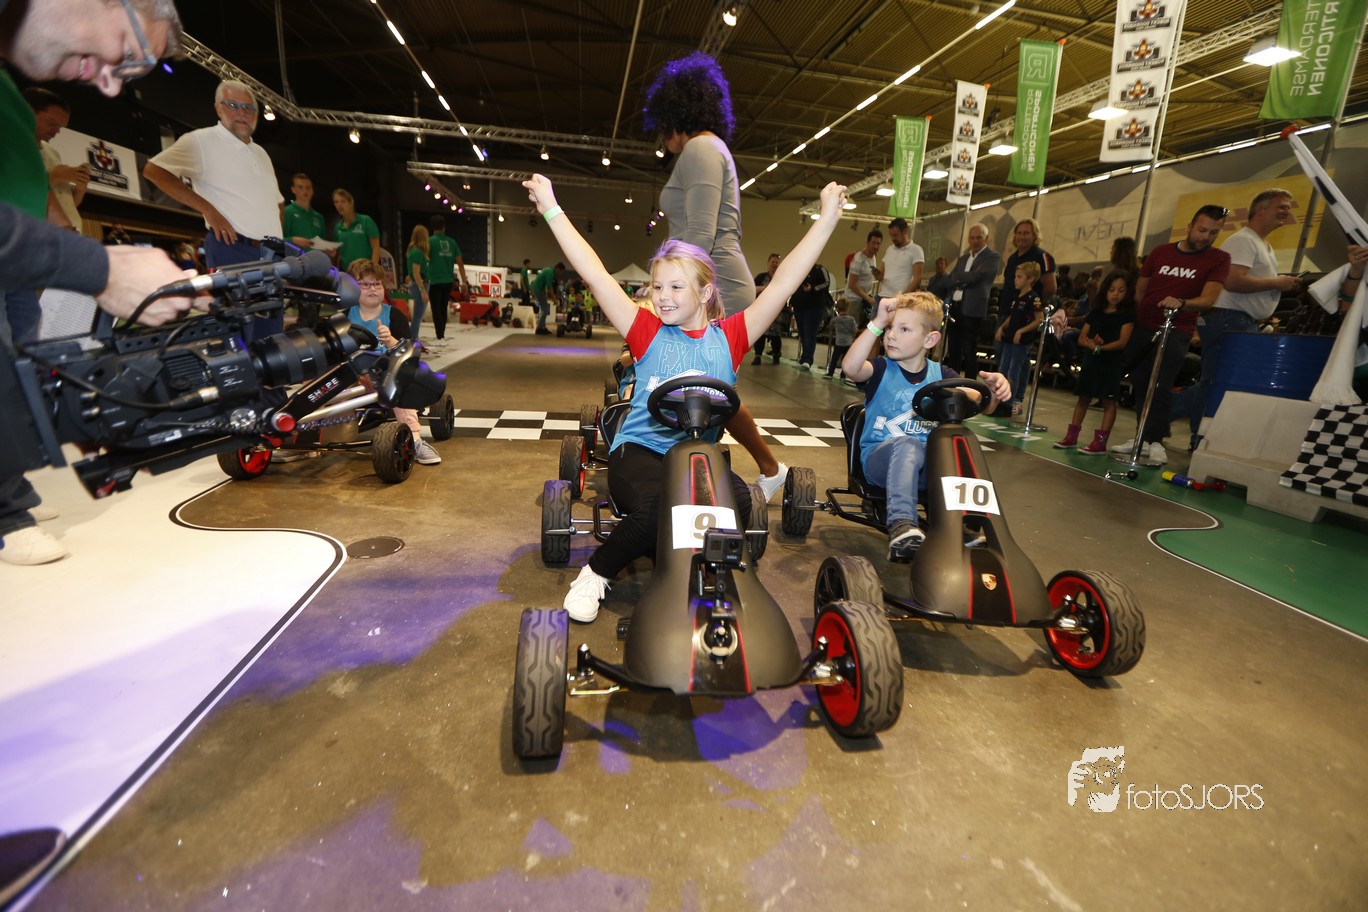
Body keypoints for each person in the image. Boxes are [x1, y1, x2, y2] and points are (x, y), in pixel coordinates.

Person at [522, 172, 847, 622]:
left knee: (739, 502)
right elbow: (594, 273)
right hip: (640, 452)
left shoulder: (730, 338)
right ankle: (596, 573)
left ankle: (705, 575)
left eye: (676, 287)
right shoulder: (646, 331)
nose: (663, 297)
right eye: (658, 287)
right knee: (663, 509)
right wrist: (551, 209)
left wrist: (827, 219)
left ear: (705, 292)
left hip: (698, 459)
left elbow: (783, 284)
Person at [2, 0, 192, 571]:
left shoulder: (8, 90)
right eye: (127, 53)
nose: (110, 86)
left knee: (18, 366)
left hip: (17, 265)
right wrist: (102, 269)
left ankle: (10, 489)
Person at [642, 49, 789, 501]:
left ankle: (766, 468)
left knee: (708, 390)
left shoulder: (700, 148)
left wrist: (666, 293)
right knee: (702, 388)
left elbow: (700, 236)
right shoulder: (708, 149)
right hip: (704, 283)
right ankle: (722, 468)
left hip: (714, 286)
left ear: (674, 114)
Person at [842, 292, 1010, 558]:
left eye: (904, 329)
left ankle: (963, 525)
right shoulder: (881, 369)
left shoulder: (942, 375)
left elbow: (980, 403)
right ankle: (902, 523)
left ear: (930, 340)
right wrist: (877, 322)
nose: (891, 336)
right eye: (890, 328)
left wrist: (994, 390)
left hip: (927, 470)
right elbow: (851, 368)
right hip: (879, 463)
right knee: (908, 445)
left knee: (960, 446)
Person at [143, 79, 284, 340]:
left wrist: (277, 243)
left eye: (248, 107)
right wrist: (208, 209)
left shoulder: (261, 153)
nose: (241, 113)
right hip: (232, 248)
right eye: (233, 105)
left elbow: (278, 202)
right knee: (238, 334)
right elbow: (154, 171)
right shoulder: (201, 141)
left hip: (269, 256)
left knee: (272, 335)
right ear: (218, 108)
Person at [1111, 204, 1231, 465]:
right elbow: (1140, 290)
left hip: (1176, 328)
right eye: (1201, 230)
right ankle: (1142, 436)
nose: (1206, 237)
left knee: (1161, 384)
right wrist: (1134, 320)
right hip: (1143, 327)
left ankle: (1156, 439)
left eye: (1213, 232)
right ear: (1189, 227)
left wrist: (1182, 303)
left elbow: (1209, 299)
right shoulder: (1160, 252)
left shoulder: (1219, 259)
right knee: (1142, 383)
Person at [1190, 189, 1301, 449]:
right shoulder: (1244, 240)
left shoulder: (1260, 243)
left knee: (1218, 380)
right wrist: (1275, 282)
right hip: (1230, 319)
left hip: (1238, 320)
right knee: (1217, 381)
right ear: (1260, 209)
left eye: (1289, 207)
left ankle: (1193, 430)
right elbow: (1232, 281)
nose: (1287, 211)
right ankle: (1191, 431)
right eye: (1281, 206)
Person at [344, 259, 441, 466]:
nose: (372, 289)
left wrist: (390, 340)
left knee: (399, 379)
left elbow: (410, 352)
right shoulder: (345, 317)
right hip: (353, 376)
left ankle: (415, 440)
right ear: (353, 288)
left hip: (385, 375)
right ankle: (306, 438)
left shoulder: (393, 315)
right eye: (365, 284)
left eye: (377, 284)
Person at [1053, 271, 1136, 454]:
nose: (1115, 294)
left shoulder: (1127, 315)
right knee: (1083, 397)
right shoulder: (1096, 312)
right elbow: (1082, 337)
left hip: (1111, 362)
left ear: (1128, 292)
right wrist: (1091, 344)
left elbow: (1122, 341)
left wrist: (1101, 347)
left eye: (1121, 290)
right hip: (1091, 360)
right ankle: (1071, 436)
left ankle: (1100, 442)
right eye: (1112, 289)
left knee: (1108, 401)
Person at [22, 87, 88, 233]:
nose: (57, 131)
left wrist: (79, 191)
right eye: (52, 123)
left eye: (60, 127)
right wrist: (56, 175)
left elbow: (65, 203)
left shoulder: (52, 152)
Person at [945, 223, 1000, 378]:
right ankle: (953, 381)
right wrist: (964, 278)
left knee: (969, 349)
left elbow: (977, 276)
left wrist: (960, 278)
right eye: (972, 238)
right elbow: (952, 278)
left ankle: (971, 383)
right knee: (953, 349)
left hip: (973, 308)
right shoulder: (964, 258)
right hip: (956, 307)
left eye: (978, 238)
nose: (975, 241)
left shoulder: (992, 256)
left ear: (986, 238)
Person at [993, 261, 1044, 415]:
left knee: (1013, 372)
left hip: (1021, 341)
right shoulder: (1017, 297)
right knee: (1003, 370)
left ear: (1030, 279)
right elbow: (1012, 316)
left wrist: (1021, 331)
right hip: (1009, 338)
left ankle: (1009, 403)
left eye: (1019, 277)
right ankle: (999, 401)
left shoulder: (1034, 298)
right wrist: (1002, 328)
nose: (1015, 280)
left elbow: (1039, 319)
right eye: (1016, 276)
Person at [998, 217, 1057, 319]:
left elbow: (1050, 288)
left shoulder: (1042, 256)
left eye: (1026, 233)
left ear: (1034, 236)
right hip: (1006, 312)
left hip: (1027, 316)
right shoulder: (1012, 258)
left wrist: (1034, 306)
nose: (1022, 237)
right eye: (1019, 233)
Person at [427, 215, 468, 343]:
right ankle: (442, 334)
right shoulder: (452, 242)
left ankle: (439, 335)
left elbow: (423, 260)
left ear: (432, 227)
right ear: (444, 227)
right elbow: (460, 262)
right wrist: (464, 282)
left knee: (436, 308)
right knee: (443, 307)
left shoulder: (429, 242)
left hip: (434, 280)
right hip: (448, 280)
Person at [791, 261, 830, 369]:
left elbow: (826, 283)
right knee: (803, 333)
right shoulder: (799, 269)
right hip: (799, 306)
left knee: (809, 333)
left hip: (814, 307)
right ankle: (803, 358)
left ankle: (808, 359)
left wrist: (813, 288)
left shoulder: (820, 269)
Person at [330, 188, 380, 272]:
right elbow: (337, 253)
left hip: (365, 271)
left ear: (351, 202)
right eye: (336, 202)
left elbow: (376, 248)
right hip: (346, 272)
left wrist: (372, 270)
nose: (339, 205)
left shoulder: (366, 221)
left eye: (343, 201)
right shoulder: (338, 227)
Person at [845, 228, 883, 326]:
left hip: (865, 298)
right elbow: (852, 285)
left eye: (878, 243)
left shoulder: (873, 256)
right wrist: (868, 298)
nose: (876, 246)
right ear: (868, 242)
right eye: (873, 243)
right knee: (852, 328)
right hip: (854, 300)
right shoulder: (859, 259)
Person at [751, 253, 784, 364]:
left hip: (776, 310)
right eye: (772, 262)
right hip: (761, 310)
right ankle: (758, 356)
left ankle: (776, 355)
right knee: (760, 334)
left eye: (776, 262)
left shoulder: (781, 278)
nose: (774, 264)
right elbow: (752, 288)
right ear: (768, 263)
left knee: (776, 336)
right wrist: (763, 288)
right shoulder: (761, 277)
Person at [881, 217, 924, 300]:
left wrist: (903, 296)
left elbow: (917, 278)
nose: (893, 238)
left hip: (901, 298)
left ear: (905, 231)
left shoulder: (916, 250)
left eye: (895, 235)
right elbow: (881, 275)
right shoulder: (889, 249)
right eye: (891, 235)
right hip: (883, 295)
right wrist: (877, 274)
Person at [281, 172, 325, 249]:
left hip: (316, 256)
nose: (305, 190)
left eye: (308, 187)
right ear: (293, 189)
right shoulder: (286, 212)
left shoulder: (319, 217)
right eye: (300, 187)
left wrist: (329, 251)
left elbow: (323, 244)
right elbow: (277, 240)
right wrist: (293, 240)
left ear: (312, 191)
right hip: (293, 256)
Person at [405, 223, 429, 341]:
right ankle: (413, 339)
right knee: (418, 316)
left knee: (418, 316)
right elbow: (416, 273)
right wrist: (423, 291)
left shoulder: (413, 251)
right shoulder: (417, 252)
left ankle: (413, 338)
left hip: (417, 284)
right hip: (420, 284)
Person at [825, 298, 857, 379]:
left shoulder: (835, 320)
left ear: (837, 309)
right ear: (848, 308)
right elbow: (854, 330)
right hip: (848, 342)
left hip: (838, 342)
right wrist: (852, 337)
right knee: (845, 359)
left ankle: (830, 373)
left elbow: (830, 328)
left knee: (834, 359)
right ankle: (843, 375)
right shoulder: (851, 319)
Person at [529, 261, 563, 335]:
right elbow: (549, 288)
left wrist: (549, 295)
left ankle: (542, 327)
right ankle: (539, 328)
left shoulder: (549, 270)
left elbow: (547, 286)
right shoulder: (550, 273)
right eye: (561, 272)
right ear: (558, 269)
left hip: (538, 289)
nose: (560, 274)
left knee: (544, 309)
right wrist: (554, 299)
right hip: (538, 290)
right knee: (545, 310)